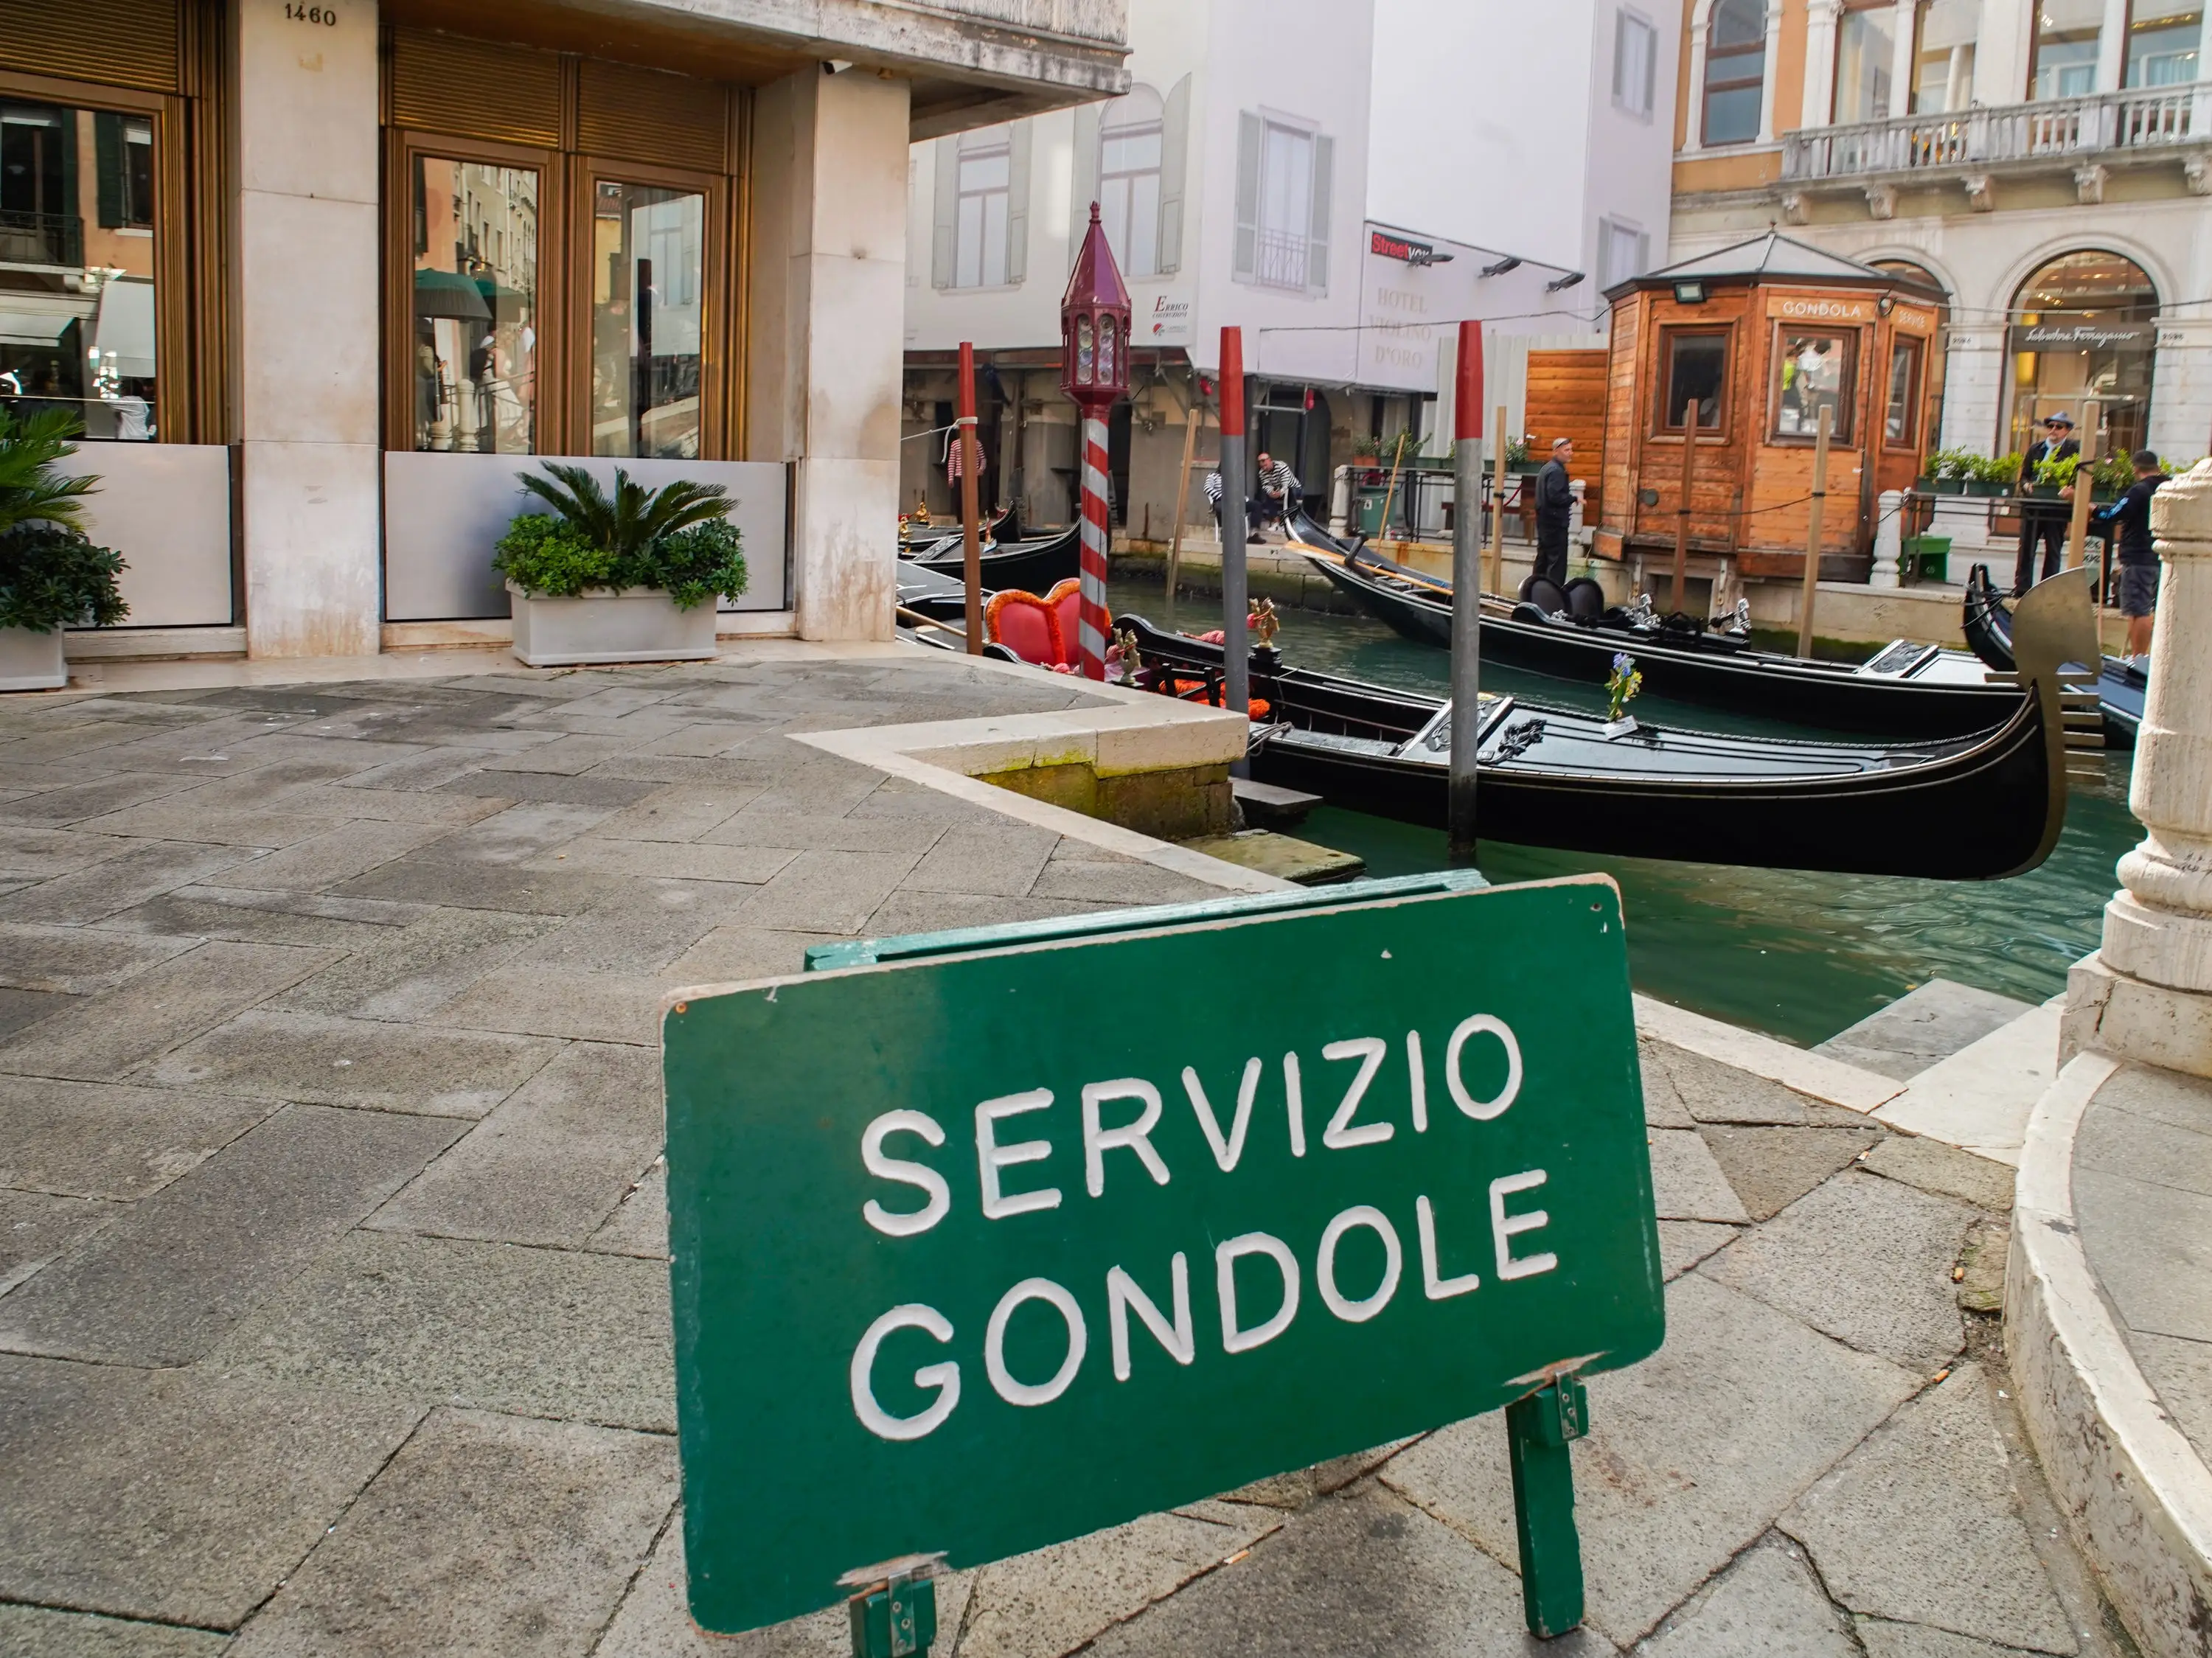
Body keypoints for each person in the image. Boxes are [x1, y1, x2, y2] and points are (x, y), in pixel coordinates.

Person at [2093, 448, 2168, 664]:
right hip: (2161, 557)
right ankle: (2141, 657)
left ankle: (2139, 660)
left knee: (2139, 610)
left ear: (2136, 468)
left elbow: (2114, 514)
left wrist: (2093, 509)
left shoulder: (2140, 490)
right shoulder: (2169, 487)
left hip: (2139, 558)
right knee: (2150, 609)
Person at [2015, 412, 2080, 596]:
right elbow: (2024, 476)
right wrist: (2026, 485)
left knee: (2053, 549)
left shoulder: (2074, 450)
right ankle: (2022, 588)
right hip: (2033, 507)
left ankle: (2047, 590)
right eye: (2050, 426)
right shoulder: (2036, 449)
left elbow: (2076, 478)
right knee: (2026, 547)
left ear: (2067, 431)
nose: (2053, 430)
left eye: (2058, 427)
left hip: (2056, 508)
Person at [1534, 437, 1574, 587]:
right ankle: (1552, 597)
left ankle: (1534, 592)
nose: (1571, 453)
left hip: (1544, 523)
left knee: (1542, 561)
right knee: (1556, 564)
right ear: (1556, 451)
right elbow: (1555, 496)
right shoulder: (1556, 471)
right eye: (1567, 450)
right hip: (1555, 524)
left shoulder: (1547, 468)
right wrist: (1573, 498)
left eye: (1571, 449)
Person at [1251, 451, 1300, 540]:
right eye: (1260, 463)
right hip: (1277, 489)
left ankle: (1288, 523)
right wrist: (1271, 493)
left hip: (1292, 487)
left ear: (1270, 460)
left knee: (1289, 495)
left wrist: (1280, 492)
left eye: (1264, 461)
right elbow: (1266, 485)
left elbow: (1286, 483)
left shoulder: (1282, 466)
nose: (1262, 465)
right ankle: (1277, 523)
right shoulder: (1262, 472)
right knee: (1268, 497)